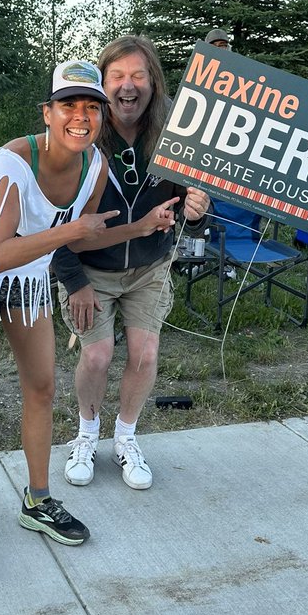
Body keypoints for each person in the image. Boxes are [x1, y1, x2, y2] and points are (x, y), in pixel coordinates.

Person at [0, 60, 178, 581]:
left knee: (42, 388)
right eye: (69, 105)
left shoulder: (96, 165)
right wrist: (71, 232)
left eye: (92, 107)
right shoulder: (14, 160)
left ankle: (38, 500)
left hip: (28, 278)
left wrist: (140, 226)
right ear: (48, 112)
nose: (81, 117)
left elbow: (87, 235)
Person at [54, 36, 211, 490]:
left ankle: (125, 437)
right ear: (103, 85)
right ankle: (86, 434)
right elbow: (52, 221)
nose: (128, 86)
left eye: (138, 76)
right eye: (118, 76)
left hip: (149, 268)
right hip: (89, 269)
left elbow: (190, 209)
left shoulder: (175, 136)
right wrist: (74, 281)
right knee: (97, 355)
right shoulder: (80, 134)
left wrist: (196, 212)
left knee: (145, 353)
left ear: (153, 83)